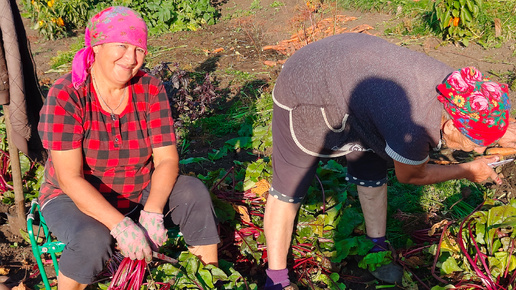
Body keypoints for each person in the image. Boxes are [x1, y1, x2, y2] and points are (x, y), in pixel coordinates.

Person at [263, 33, 516, 289]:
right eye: (475, 142)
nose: (479, 148)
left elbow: (484, 112)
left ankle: (376, 251)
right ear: (450, 126)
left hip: (358, 77)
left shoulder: (461, 90)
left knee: (372, 167)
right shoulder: (413, 126)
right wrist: (467, 170)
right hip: (308, 85)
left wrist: (501, 129)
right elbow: (411, 175)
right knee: (290, 187)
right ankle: (276, 279)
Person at [37, 6, 220, 289]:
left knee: (193, 193)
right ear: (97, 46)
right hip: (73, 197)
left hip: (137, 190)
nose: (131, 58)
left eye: (139, 49)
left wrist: (153, 211)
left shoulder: (149, 89)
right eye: (122, 45)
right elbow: (69, 178)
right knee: (92, 239)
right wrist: (120, 226)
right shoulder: (67, 94)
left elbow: (167, 160)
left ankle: (210, 279)